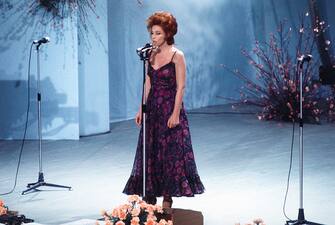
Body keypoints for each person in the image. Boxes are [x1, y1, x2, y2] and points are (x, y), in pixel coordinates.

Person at [123, 11, 204, 208]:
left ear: (167, 33)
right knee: (150, 150)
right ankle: (149, 196)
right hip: (153, 110)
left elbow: (181, 87)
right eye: (152, 33)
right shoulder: (150, 54)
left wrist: (175, 113)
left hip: (169, 108)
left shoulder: (178, 56)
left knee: (170, 153)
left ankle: (168, 197)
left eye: (158, 33)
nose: (154, 37)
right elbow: (147, 83)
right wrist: (140, 109)